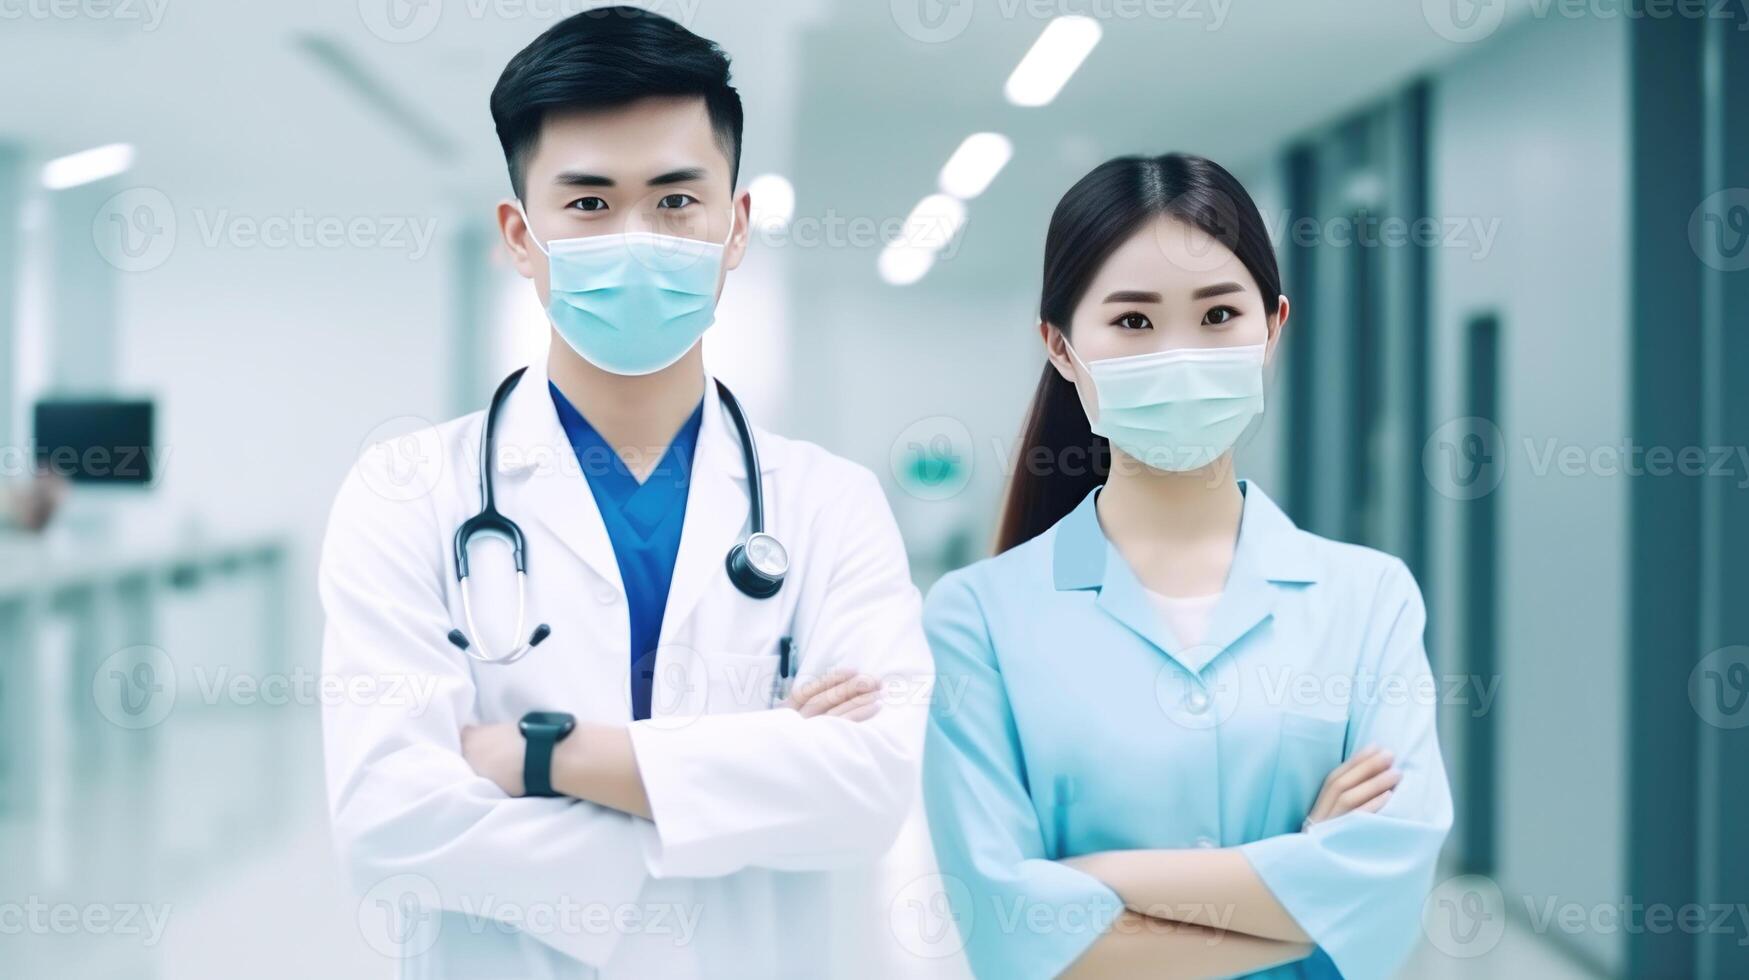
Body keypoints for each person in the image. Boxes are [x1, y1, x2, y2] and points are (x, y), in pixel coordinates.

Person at [318, 9, 933, 978]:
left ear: (736, 227)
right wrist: (744, 787)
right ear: (522, 236)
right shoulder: (404, 493)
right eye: (592, 204)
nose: (637, 236)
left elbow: (868, 793)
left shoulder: (829, 504)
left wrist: (540, 758)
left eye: (677, 201)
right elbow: (391, 818)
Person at [920, 153, 1451, 979]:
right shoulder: (976, 615)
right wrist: (1304, 886)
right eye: (1133, 322)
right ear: (1060, 347)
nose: (1179, 353)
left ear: (1273, 327)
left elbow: (1389, 890)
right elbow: (1007, 929)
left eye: (1217, 316)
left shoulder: (1369, 598)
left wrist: (1096, 882)